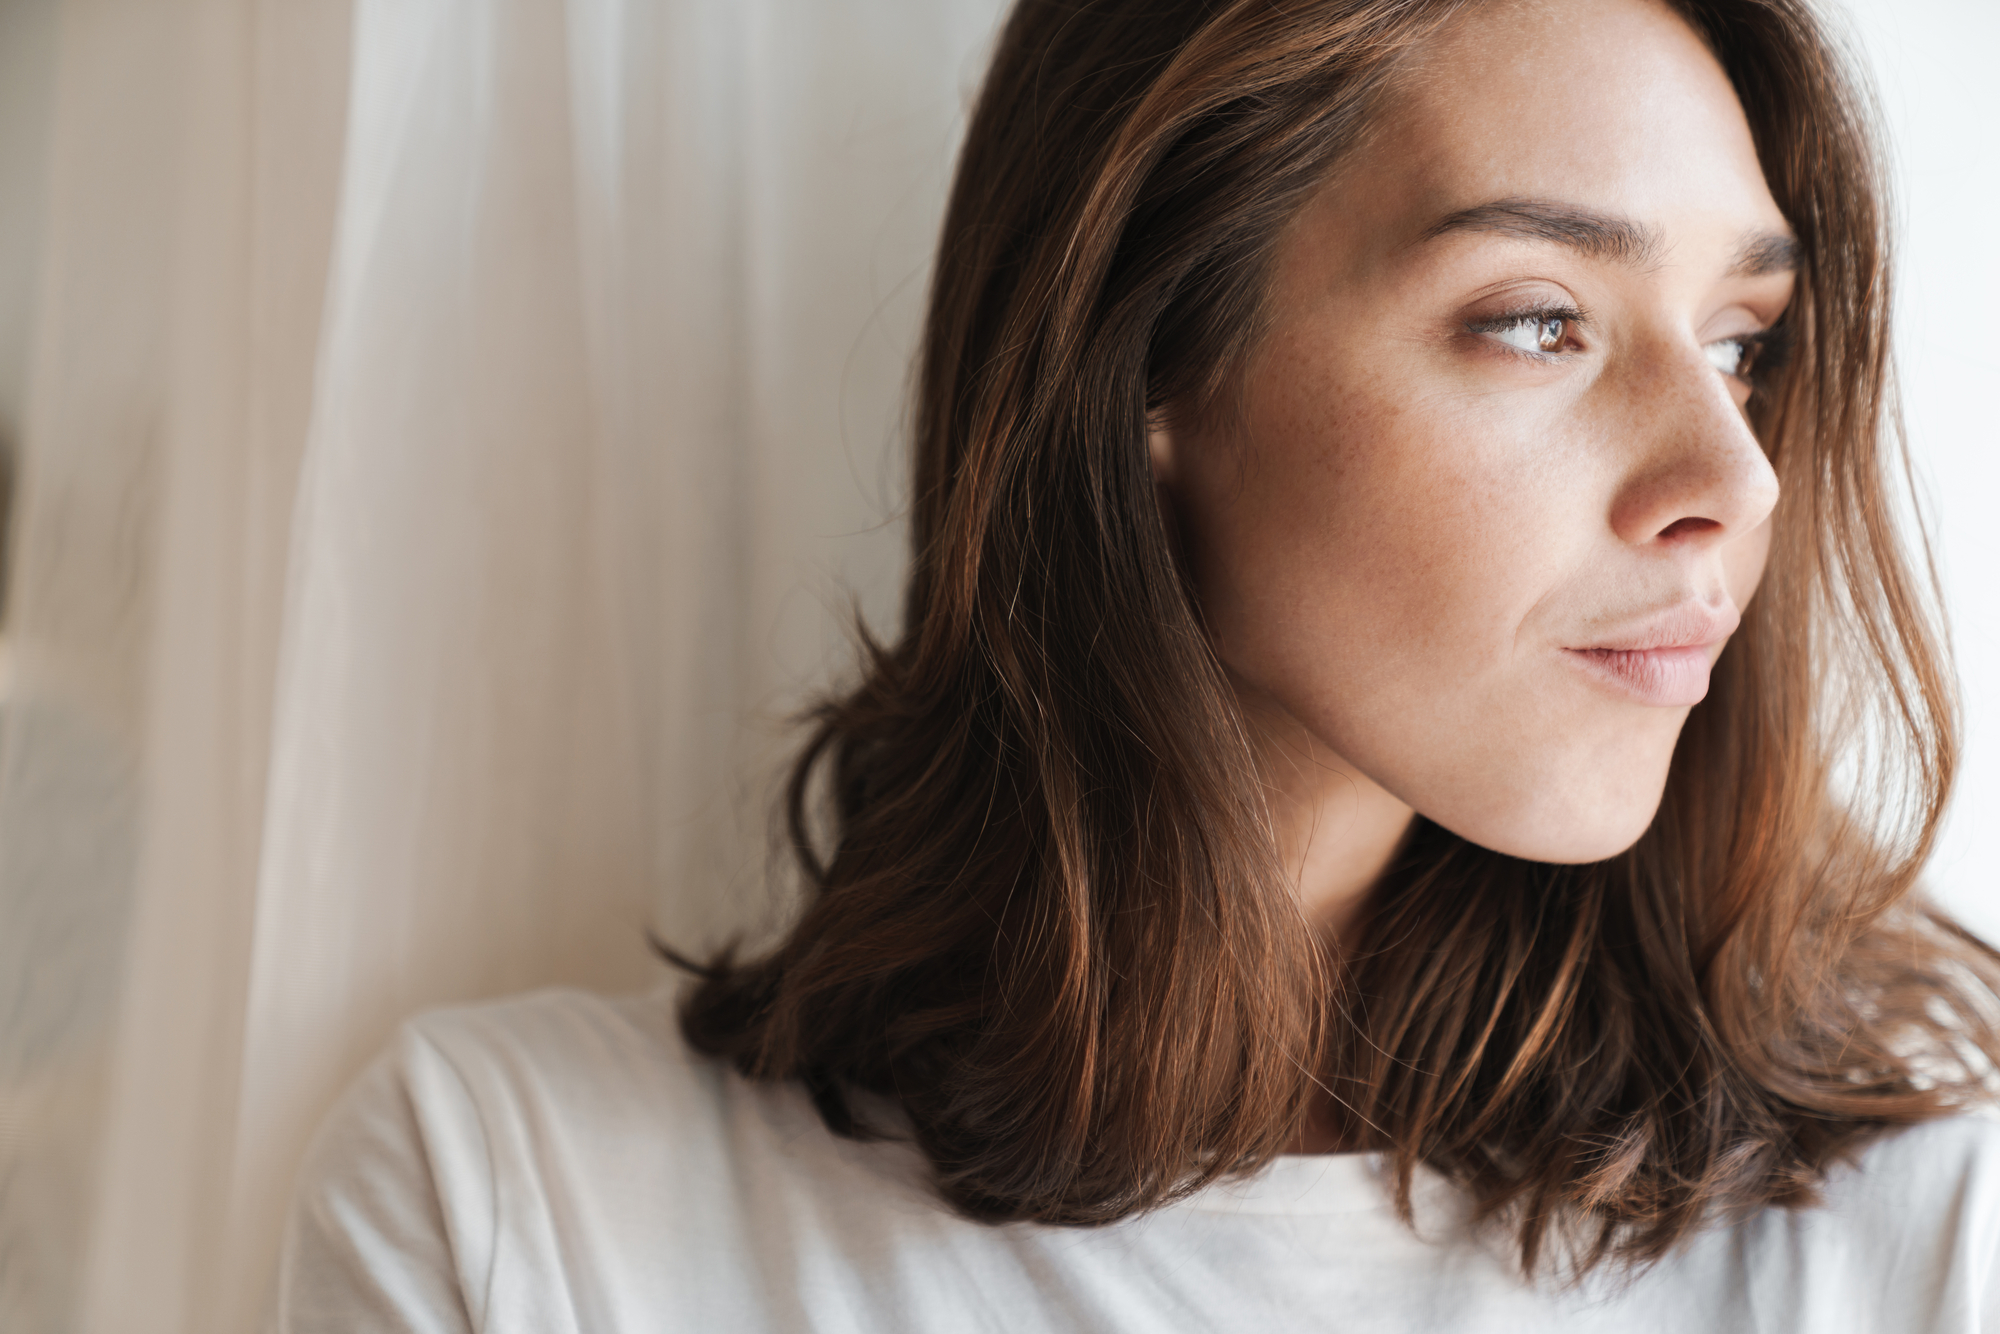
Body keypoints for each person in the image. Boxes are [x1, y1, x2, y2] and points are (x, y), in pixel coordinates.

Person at [273, 0, 2000, 1328]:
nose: (1735, 481)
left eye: (1742, 342)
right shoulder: (521, 1208)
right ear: (1158, 346)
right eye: (1536, 318)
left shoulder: (1929, 1228)